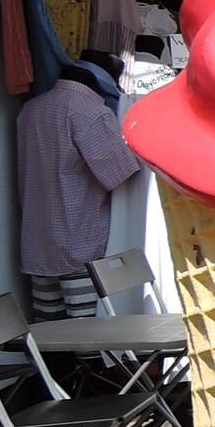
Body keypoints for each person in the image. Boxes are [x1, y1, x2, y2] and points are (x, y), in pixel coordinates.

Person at [17, 64, 142, 319]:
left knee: (50, 331)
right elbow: (121, 174)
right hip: (80, 242)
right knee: (89, 332)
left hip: (37, 242)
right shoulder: (91, 112)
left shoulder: (30, 109)